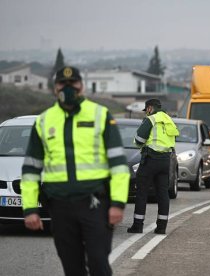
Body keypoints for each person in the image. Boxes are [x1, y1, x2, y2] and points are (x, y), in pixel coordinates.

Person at [21, 66, 130, 276]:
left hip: (95, 204)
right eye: (63, 83)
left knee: (98, 262)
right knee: (72, 267)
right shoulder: (44, 120)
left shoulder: (101, 115)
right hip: (60, 206)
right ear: (55, 88)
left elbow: (118, 164)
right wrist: (29, 209)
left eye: (73, 83)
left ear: (82, 86)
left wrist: (117, 204)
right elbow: (31, 168)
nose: (68, 87)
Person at [127, 98, 179, 234]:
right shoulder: (169, 119)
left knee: (142, 192)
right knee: (163, 193)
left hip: (150, 159)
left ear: (150, 108)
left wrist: (139, 143)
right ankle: (161, 227)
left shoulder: (150, 119)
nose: (146, 113)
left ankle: (137, 226)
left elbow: (139, 140)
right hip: (165, 160)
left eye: (146, 110)